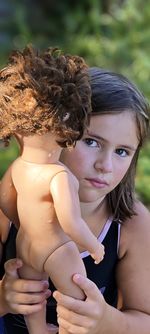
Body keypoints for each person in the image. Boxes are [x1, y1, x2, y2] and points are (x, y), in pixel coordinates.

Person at [1, 66, 150, 334]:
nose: (105, 165)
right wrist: (4, 298)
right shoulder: (11, 211)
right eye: (91, 142)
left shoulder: (131, 224)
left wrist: (107, 321)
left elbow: (145, 320)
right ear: (57, 132)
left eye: (122, 151)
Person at [0, 47, 104, 334]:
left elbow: (6, 202)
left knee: (32, 295)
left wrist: (26, 224)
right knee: (77, 290)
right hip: (56, 248)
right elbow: (71, 223)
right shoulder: (59, 175)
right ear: (68, 127)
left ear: (17, 126)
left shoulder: (18, 168)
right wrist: (94, 246)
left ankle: (37, 330)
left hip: (26, 245)